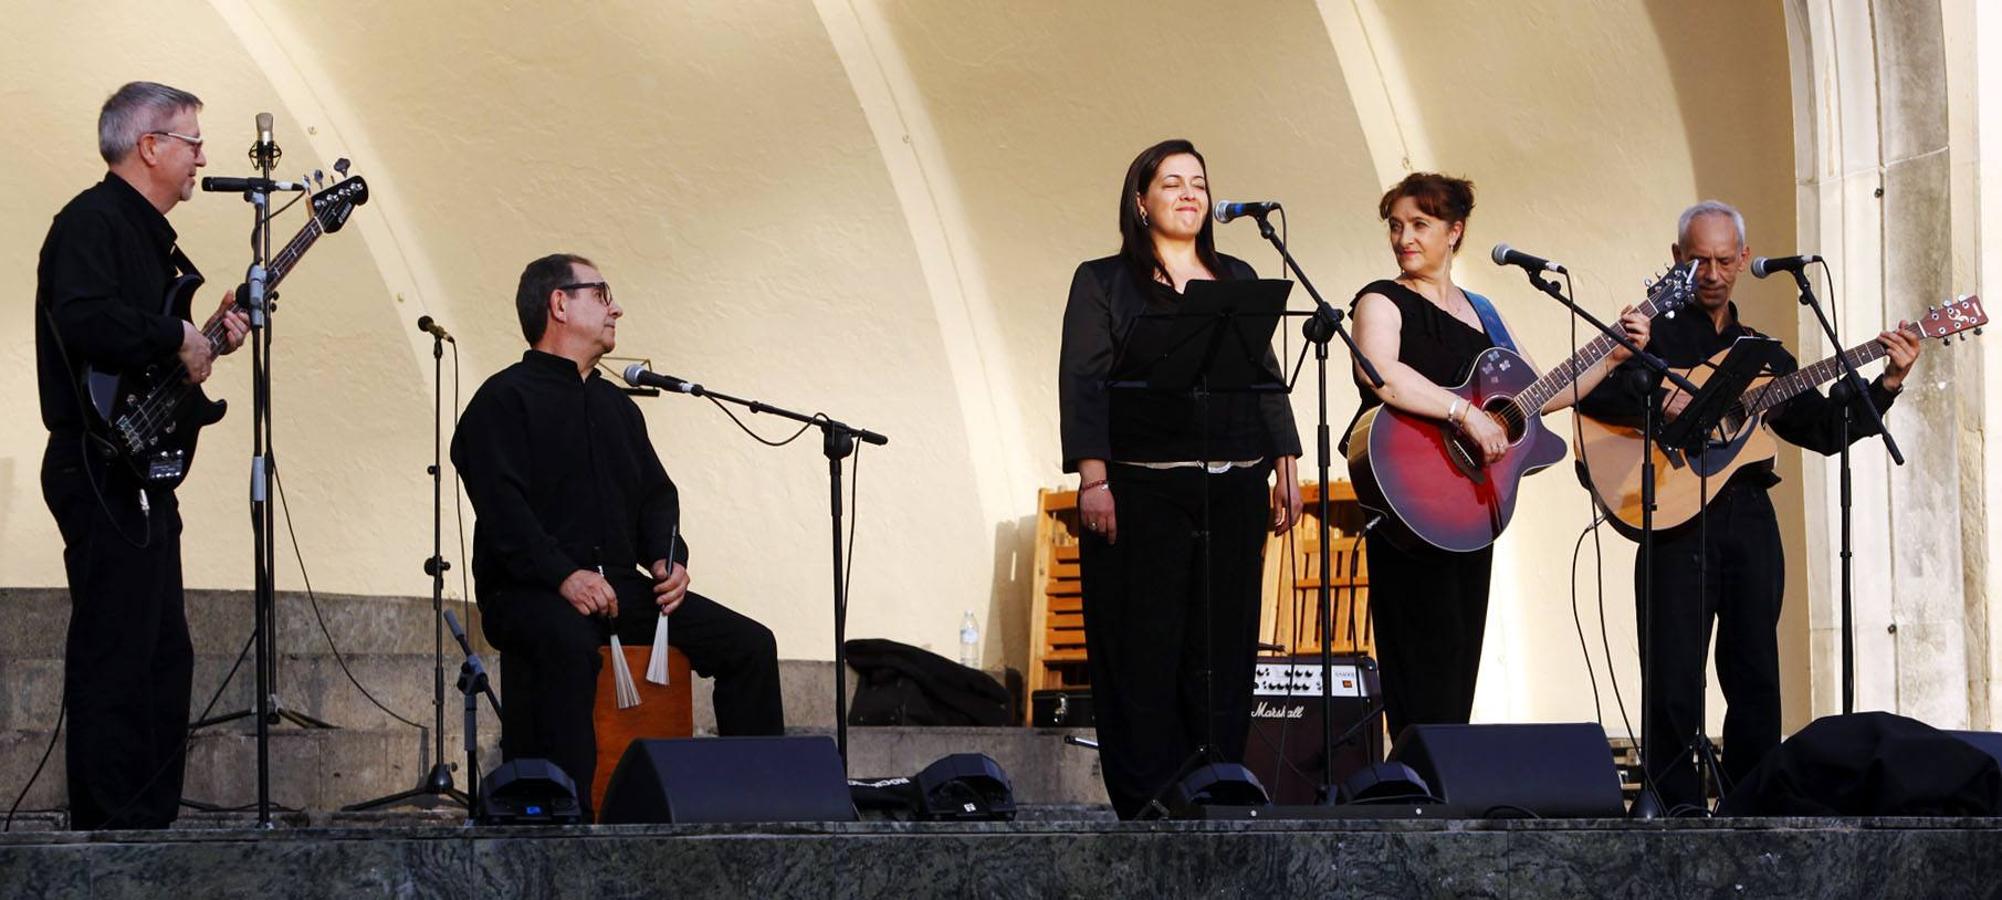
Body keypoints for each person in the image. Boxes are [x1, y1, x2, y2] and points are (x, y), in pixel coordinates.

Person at [1578, 200, 1920, 814]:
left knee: (1756, 673)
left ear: (1742, 260)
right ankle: (1673, 805)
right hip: (1672, 517)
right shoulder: (1649, 337)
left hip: (1749, 519)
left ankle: (1752, 806)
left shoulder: (1763, 357)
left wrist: (1887, 381)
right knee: (1674, 675)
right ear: (1679, 258)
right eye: (1699, 259)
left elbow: (1819, 427)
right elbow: (1593, 397)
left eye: (1723, 260)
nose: (1711, 272)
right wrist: (1660, 398)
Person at [453, 253, 783, 816]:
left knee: (750, 646)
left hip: (617, 588)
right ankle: (572, 820)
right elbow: (504, 510)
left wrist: (667, 558)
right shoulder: (503, 399)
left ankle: (760, 808)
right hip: (530, 590)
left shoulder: (617, 407)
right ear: (560, 304)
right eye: (602, 293)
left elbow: (658, 496)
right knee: (568, 643)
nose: (617, 308)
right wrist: (563, 575)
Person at [1347, 172, 1648, 741]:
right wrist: (1464, 414)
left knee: (1459, 648)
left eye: (1420, 225)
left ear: (1454, 231)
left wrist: (1609, 357)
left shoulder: (1481, 310)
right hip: (1409, 494)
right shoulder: (1380, 300)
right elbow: (1382, 373)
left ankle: (1445, 784)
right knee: (1419, 645)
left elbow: (1537, 391)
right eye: (1396, 226)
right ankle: (1416, 784)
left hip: (1470, 503)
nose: (1403, 238)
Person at [1058, 139, 1303, 819]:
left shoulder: (1236, 274)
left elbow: (1264, 379)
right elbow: (1083, 385)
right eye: (1172, 183)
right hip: (1142, 487)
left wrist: (1285, 465)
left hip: (1232, 485)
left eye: (1198, 181)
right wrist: (1093, 479)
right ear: (1141, 201)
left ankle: (1216, 782)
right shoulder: (1103, 280)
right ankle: (1147, 795)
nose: (1190, 193)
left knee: (1222, 645)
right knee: (1145, 644)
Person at [35, 82, 249, 830]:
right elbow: (88, 318)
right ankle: (111, 831)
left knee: (163, 654)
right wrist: (175, 339)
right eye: (192, 142)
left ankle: (147, 825)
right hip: (98, 465)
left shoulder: (154, 242)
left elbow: (154, 355)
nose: (202, 158)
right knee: (119, 651)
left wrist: (207, 336)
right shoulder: (91, 222)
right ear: (149, 146)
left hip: (141, 471)